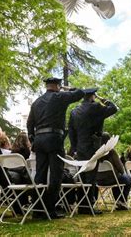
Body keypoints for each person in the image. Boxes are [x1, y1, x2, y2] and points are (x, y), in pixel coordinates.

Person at [26, 77, 84, 219]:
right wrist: (67, 88)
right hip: (54, 138)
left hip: (39, 140)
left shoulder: (36, 102)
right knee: (56, 175)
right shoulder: (59, 96)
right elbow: (80, 92)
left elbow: (29, 124)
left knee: (40, 174)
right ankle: (50, 209)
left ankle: (38, 210)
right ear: (57, 86)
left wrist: (33, 138)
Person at [68, 88, 118, 215]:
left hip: (80, 147)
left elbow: (71, 132)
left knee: (83, 176)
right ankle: (88, 206)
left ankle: (82, 205)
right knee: (90, 177)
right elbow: (113, 108)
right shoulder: (96, 107)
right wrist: (103, 99)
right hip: (92, 145)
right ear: (92, 96)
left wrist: (74, 147)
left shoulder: (74, 111)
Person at [97, 132, 131, 210]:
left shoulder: (96, 152)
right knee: (128, 179)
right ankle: (121, 201)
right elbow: (121, 169)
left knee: (118, 179)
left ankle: (119, 201)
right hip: (112, 179)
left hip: (98, 181)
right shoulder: (111, 152)